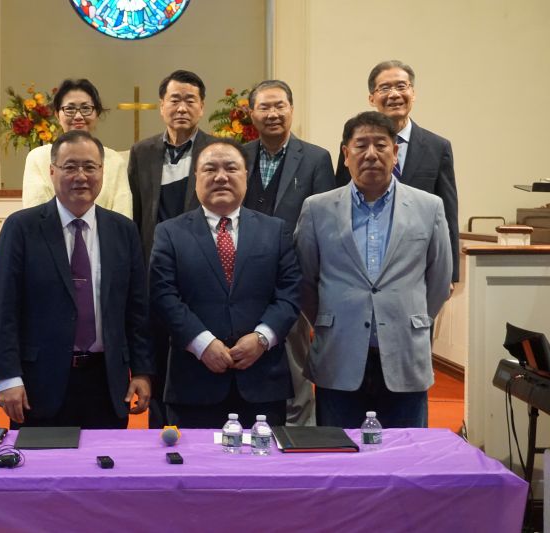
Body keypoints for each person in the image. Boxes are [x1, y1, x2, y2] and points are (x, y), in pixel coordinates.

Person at [295, 111, 452, 429]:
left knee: (406, 452)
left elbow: (439, 279)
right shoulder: (317, 208)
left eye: (380, 145)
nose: (370, 154)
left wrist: (410, 316)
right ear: (346, 154)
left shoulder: (429, 206)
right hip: (338, 351)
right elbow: (305, 279)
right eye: (360, 145)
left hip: (404, 350)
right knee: (339, 453)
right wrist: (330, 318)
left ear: (395, 152)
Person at [0, 129, 153, 429]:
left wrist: (141, 371)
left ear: (102, 172)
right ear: (52, 172)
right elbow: (2, 308)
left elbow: (137, 310)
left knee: (105, 459)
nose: (81, 176)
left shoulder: (123, 231)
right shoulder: (22, 228)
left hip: (106, 383)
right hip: (39, 384)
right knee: (40, 460)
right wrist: (8, 377)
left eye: (90, 167)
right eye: (70, 167)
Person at [150, 139, 302, 429]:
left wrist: (262, 338)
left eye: (231, 168)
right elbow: (163, 295)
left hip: (262, 382)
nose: (221, 177)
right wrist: (202, 343)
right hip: (193, 383)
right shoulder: (169, 233)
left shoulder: (275, 230)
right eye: (210, 169)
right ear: (196, 176)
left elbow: (290, 293)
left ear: (245, 175)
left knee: (264, 457)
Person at [243, 79, 335, 426]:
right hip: (244, 280)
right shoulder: (239, 155)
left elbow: (325, 224)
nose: (273, 113)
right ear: (251, 113)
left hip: (292, 280)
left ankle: (301, 435)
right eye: (264, 107)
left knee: (297, 367)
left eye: (280, 105)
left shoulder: (315, 159)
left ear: (292, 109)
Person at [128, 69, 216, 428]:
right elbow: (136, 212)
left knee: (196, 353)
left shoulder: (217, 150)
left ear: (202, 106)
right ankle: (159, 431)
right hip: (154, 269)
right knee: (157, 352)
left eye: (190, 100)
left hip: (202, 271)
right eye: (174, 99)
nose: (182, 107)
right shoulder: (142, 152)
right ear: (161, 105)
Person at [335, 60, 459, 283]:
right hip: (363, 263)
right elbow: (341, 203)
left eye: (401, 86)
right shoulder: (355, 147)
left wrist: (450, 274)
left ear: (413, 93)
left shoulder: (437, 147)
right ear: (371, 98)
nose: (394, 94)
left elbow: (448, 214)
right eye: (384, 88)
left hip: (416, 265)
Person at [22, 78, 132, 218]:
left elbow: (122, 218)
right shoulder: (38, 158)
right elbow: (35, 215)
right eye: (70, 109)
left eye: (86, 108)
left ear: (97, 113)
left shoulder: (115, 160)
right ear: (57, 114)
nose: (78, 116)